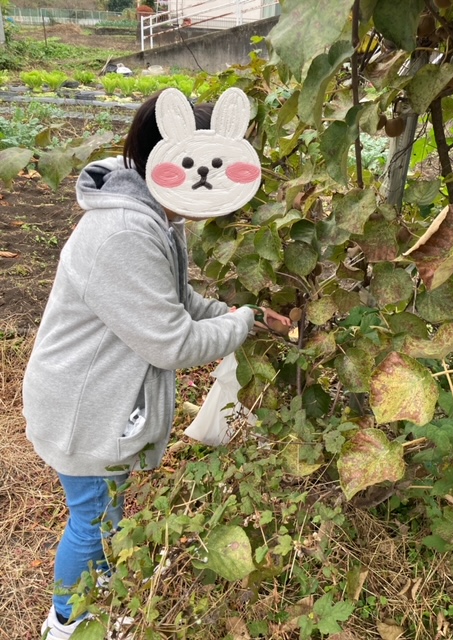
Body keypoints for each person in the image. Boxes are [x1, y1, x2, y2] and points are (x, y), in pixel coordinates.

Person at [22, 91, 291, 640]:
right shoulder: (123, 232)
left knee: (105, 512)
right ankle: (67, 622)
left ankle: (96, 597)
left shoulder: (158, 216)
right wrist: (239, 323)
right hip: (82, 407)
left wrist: (242, 314)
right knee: (92, 519)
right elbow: (172, 342)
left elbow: (178, 301)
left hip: (101, 398)